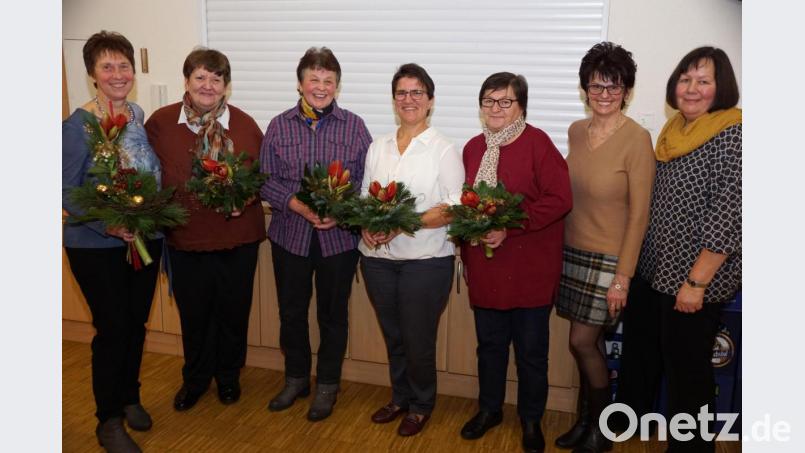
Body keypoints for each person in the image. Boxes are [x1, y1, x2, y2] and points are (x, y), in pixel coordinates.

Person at [615, 46, 741, 453]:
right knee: (645, 361)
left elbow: (730, 217)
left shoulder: (734, 134)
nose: (691, 88)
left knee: (689, 378)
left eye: (703, 81)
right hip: (654, 273)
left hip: (692, 283)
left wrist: (696, 282)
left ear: (721, 88)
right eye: (685, 79)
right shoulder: (672, 133)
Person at [145, 48, 265, 412]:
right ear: (187, 81)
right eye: (200, 77)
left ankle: (228, 377)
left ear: (227, 86)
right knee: (194, 315)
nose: (208, 86)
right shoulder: (161, 123)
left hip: (237, 239)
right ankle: (195, 379)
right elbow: (145, 174)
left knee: (233, 312)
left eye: (216, 79)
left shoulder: (245, 126)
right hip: (185, 239)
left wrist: (243, 197)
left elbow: (260, 178)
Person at [458, 72, 572, 453]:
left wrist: (512, 228)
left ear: (521, 106)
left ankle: (531, 419)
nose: (496, 108)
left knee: (531, 352)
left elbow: (560, 199)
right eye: (488, 101)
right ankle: (489, 410)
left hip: (529, 270)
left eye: (505, 101)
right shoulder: (474, 148)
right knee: (488, 347)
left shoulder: (538, 143)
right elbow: (469, 202)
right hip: (486, 269)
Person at [259, 47, 372, 421]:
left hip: (338, 241)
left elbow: (364, 182)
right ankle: (295, 379)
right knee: (291, 313)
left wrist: (338, 213)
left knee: (332, 316)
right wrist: (296, 204)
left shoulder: (355, 126)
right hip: (290, 236)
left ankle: (327, 384)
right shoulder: (278, 125)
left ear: (337, 86)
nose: (321, 87)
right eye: (314, 79)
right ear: (300, 83)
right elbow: (266, 180)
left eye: (328, 81)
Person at [63, 30, 162, 453]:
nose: (118, 74)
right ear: (92, 75)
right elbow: (65, 190)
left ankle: (130, 395)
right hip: (95, 244)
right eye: (108, 66)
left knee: (135, 324)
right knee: (112, 329)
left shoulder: (137, 114)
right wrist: (110, 225)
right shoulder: (78, 125)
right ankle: (108, 421)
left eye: (124, 65)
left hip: (143, 238)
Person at [553, 42, 655, 452]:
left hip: (611, 259)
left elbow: (639, 215)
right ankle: (585, 423)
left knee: (580, 341)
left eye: (614, 87)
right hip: (573, 250)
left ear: (627, 91)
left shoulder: (637, 139)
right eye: (596, 87)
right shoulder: (576, 132)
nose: (605, 95)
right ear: (585, 90)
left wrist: (622, 279)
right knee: (589, 344)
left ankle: (602, 430)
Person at [359, 63, 464, 436]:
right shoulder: (378, 146)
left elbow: (453, 206)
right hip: (377, 261)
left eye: (417, 92)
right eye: (402, 93)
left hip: (425, 262)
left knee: (418, 338)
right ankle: (400, 396)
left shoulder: (444, 149)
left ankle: (421, 404)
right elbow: (364, 200)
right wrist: (369, 227)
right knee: (394, 336)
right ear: (394, 100)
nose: (409, 99)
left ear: (431, 101)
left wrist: (401, 224)